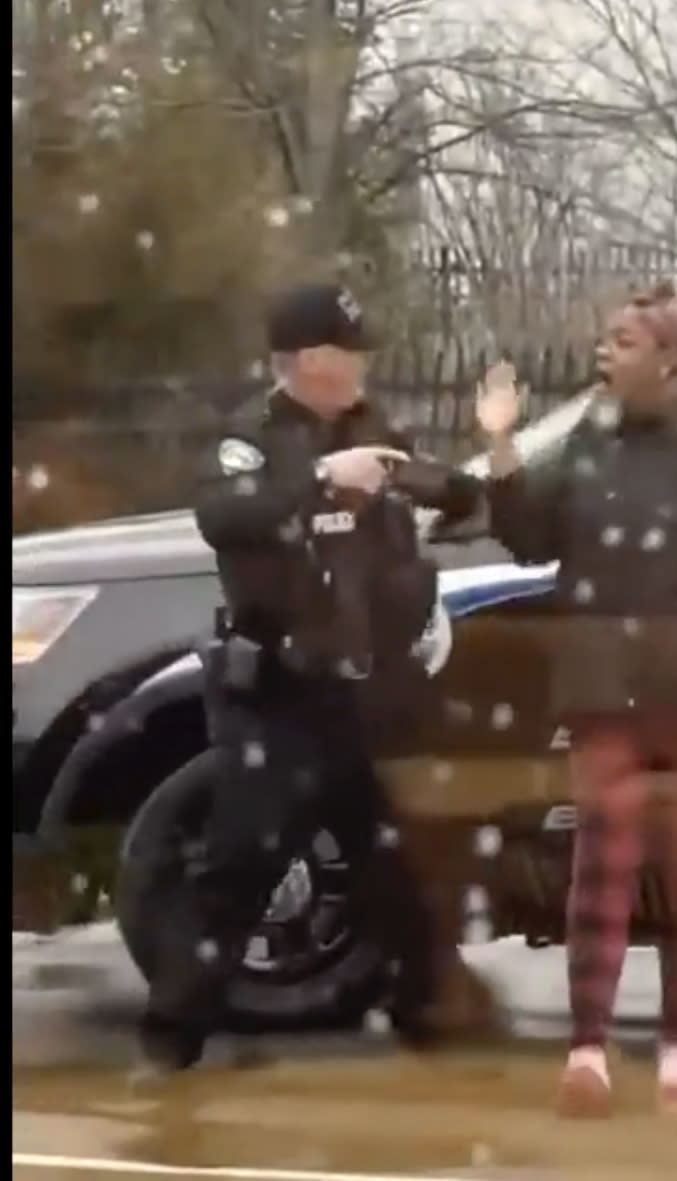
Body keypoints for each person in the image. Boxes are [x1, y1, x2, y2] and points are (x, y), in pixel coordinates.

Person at [136, 281, 486, 1073]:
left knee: (395, 858)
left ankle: (426, 1008)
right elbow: (225, 518)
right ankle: (173, 1028)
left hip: (372, 689)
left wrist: (452, 488)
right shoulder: (252, 440)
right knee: (243, 862)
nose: (359, 366)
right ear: (305, 360)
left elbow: (443, 499)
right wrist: (326, 479)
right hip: (283, 692)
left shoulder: (374, 430)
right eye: (345, 352)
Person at [475, 286, 677, 1118]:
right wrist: (499, 444)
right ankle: (588, 1048)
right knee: (601, 866)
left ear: (672, 361)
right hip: (606, 684)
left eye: (623, 341)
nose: (604, 353)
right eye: (605, 339)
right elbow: (532, 535)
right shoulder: (589, 438)